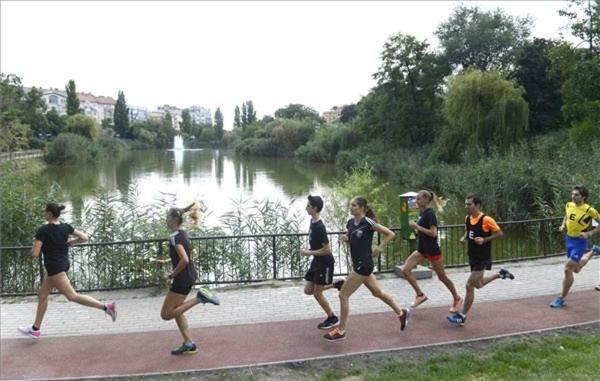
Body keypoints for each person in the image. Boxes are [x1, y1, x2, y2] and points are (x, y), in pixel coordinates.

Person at [18, 203, 117, 340]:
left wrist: (31, 250)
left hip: (55, 268)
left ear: (50, 214)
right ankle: (35, 329)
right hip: (62, 265)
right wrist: (71, 242)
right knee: (42, 295)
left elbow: (35, 253)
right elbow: (84, 237)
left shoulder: (43, 230)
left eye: (44, 212)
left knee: (72, 296)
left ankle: (106, 307)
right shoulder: (65, 227)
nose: (43, 213)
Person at [324, 197, 410, 342]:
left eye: (354, 205)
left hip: (364, 265)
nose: (351, 208)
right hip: (359, 264)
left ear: (362, 208)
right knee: (377, 293)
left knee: (343, 295)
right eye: (351, 205)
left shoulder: (368, 223)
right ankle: (402, 313)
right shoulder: (350, 223)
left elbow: (390, 234)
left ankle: (341, 330)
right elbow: (355, 237)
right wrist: (346, 238)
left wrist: (380, 247)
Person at [154, 202, 220, 355]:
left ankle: (200, 298)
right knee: (177, 311)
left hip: (182, 279)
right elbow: (182, 257)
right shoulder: (182, 234)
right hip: (188, 277)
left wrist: (171, 274)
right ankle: (189, 343)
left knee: (166, 315)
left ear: (173, 219)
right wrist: (165, 262)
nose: (165, 220)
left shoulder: (174, 237)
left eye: (167, 217)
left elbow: (184, 260)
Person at [447, 194, 514, 326]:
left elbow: (499, 233)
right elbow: (468, 231)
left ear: (477, 205)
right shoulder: (467, 218)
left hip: (482, 257)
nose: (466, 207)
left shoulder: (486, 219)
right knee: (479, 284)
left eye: (469, 204)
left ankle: (462, 316)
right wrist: (464, 238)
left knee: (469, 285)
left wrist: (485, 239)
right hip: (472, 255)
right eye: (465, 204)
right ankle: (500, 274)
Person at [403, 190, 462, 313]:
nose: (416, 201)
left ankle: (457, 298)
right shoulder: (422, 213)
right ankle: (420, 295)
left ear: (426, 200)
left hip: (433, 250)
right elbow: (423, 230)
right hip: (422, 250)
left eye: (418, 199)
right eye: (416, 199)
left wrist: (417, 227)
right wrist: (417, 231)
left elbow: (433, 233)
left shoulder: (430, 214)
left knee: (442, 277)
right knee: (406, 270)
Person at [550, 186, 600, 308]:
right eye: (572, 194)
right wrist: (563, 225)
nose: (573, 196)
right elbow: (566, 215)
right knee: (576, 270)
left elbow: (599, 224)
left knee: (568, 269)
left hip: (579, 242)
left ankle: (561, 298)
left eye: (576, 195)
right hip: (569, 240)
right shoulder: (568, 205)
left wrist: (589, 233)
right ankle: (594, 251)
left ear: (583, 197)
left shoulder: (589, 210)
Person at [300, 195, 344, 330]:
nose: (305, 207)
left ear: (314, 208)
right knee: (308, 290)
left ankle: (332, 317)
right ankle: (336, 284)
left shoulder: (320, 227)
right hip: (316, 262)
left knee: (317, 294)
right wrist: (310, 251)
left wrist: (309, 252)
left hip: (325, 263)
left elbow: (327, 250)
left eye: (308, 206)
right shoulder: (312, 222)